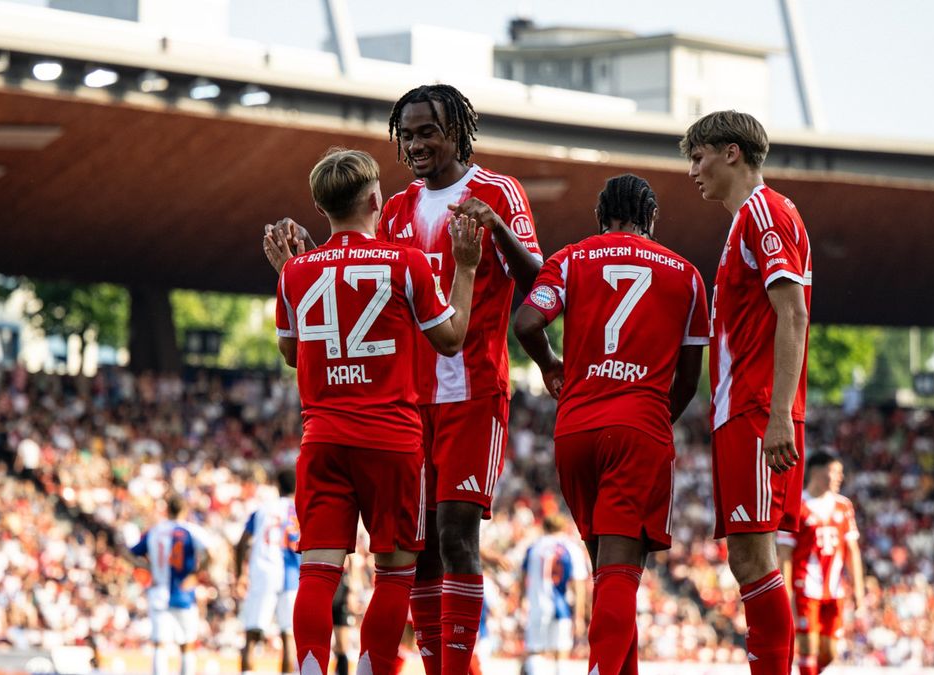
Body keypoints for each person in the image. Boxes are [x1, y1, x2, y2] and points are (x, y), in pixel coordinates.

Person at [265, 83, 543, 675]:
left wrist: (499, 231)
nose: (415, 144)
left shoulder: (498, 191)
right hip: (406, 401)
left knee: (456, 536)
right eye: (407, 133)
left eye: (427, 131)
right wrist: (323, 262)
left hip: (470, 389)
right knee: (414, 557)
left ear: (457, 132)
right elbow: (368, 279)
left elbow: (538, 276)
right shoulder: (394, 210)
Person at [275, 147, 482, 675]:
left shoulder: (295, 271)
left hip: (321, 439)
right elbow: (452, 339)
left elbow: (290, 351)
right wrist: (465, 267)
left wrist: (291, 275)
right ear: (374, 199)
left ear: (323, 208)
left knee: (317, 572)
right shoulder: (405, 262)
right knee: (394, 575)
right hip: (391, 441)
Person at [513, 174, 708, 675]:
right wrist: (654, 420)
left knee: (608, 577)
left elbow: (527, 324)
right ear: (650, 220)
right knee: (620, 576)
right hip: (638, 427)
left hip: (575, 427)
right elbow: (689, 379)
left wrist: (549, 365)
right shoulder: (686, 275)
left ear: (602, 218)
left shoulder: (573, 257)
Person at [680, 110, 812, 674]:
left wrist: (779, 413)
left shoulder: (764, 212)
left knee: (754, 558)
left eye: (699, 155)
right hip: (744, 410)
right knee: (751, 559)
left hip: (758, 411)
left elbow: (794, 312)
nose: (693, 170)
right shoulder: (745, 221)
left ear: (731, 152)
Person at [777, 452, 864, 675]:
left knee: (830, 651)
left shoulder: (844, 506)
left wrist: (859, 590)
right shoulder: (797, 505)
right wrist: (785, 592)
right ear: (816, 471)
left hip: (835, 590)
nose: (839, 477)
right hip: (805, 587)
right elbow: (785, 553)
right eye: (834, 472)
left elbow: (851, 551)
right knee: (808, 647)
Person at [129, 494, 211, 675]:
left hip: (158, 591)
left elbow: (131, 553)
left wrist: (148, 567)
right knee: (187, 644)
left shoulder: (155, 531)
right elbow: (212, 552)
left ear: (167, 510)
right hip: (183, 592)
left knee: (159, 643)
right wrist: (195, 575)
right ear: (184, 510)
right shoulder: (191, 530)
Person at [235, 468, 301, 675]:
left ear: (277, 485)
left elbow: (241, 544)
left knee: (252, 635)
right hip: (292, 576)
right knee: (288, 637)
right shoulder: (301, 510)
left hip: (264, 572)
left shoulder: (263, 509)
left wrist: (240, 575)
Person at [518, 514, 588, 675]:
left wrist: (523, 600)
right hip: (561, 608)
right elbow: (579, 585)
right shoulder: (572, 548)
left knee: (535, 651)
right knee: (561, 652)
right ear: (563, 527)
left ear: (545, 527)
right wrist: (579, 616)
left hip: (537, 606)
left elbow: (523, 578)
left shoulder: (533, 548)